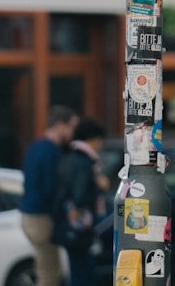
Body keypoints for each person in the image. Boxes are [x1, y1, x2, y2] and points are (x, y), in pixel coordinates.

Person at [21, 105, 79, 286]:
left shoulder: (35, 147)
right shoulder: (52, 152)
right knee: (49, 274)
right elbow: (52, 188)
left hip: (29, 215)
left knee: (50, 269)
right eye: (71, 127)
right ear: (60, 125)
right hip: (42, 217)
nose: (72, 133)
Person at [52, 117, 110, 286]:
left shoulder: (69, 156)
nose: (100, 145)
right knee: (85, 272)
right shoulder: (84, 161)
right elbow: (80, 195)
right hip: (79, 225)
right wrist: (100, 186)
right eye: (99, 140)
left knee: (78, 270)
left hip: (69, 225)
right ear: (91, 138)